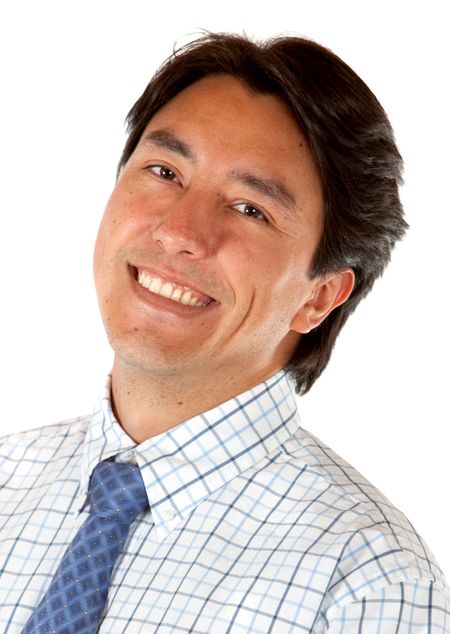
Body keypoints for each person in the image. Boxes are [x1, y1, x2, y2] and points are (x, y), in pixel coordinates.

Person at [0, 32, 448, 633]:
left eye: (249, 209)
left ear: (319, 296)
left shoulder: (367, 586)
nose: (181, 231)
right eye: (164, 170)